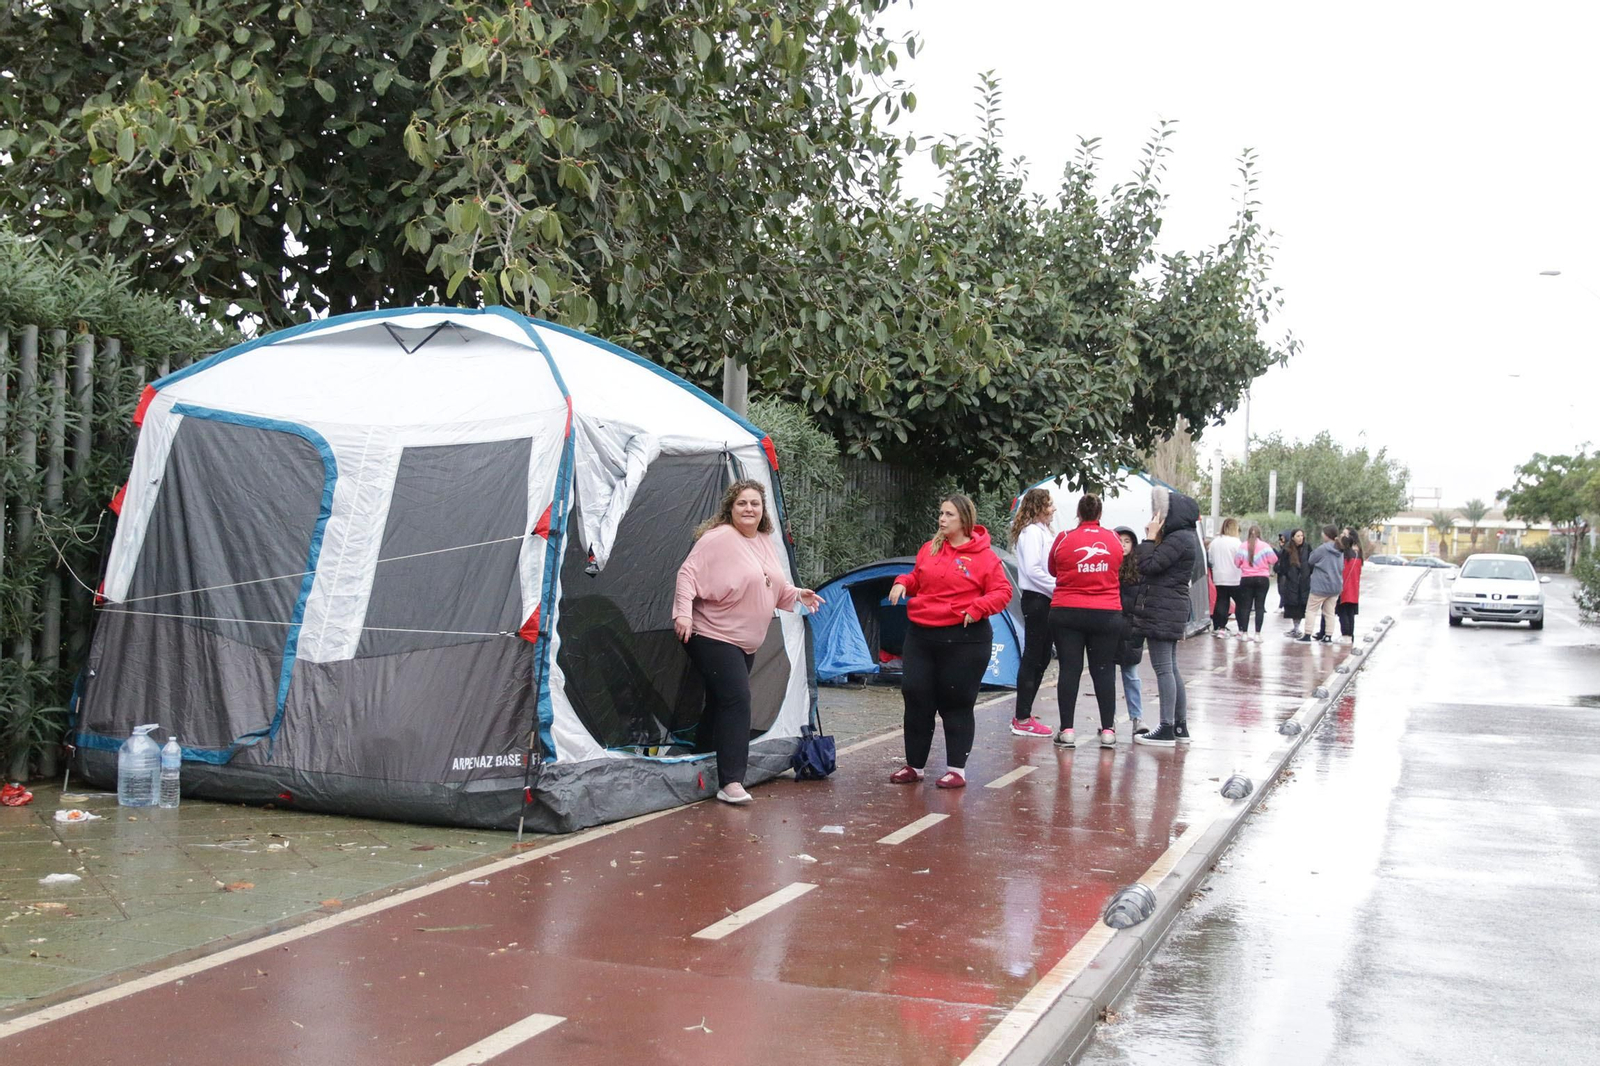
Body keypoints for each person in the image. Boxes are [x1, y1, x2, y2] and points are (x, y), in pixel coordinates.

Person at [675, 479, 824, 805]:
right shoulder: (718, 539)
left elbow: (773, 585)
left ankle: (698, 763)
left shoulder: (763, 541)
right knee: (738, 700)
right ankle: (731, 783)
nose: (749, 509)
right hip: (710, 633)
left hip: (745, 641)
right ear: (731, 508)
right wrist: (683, 615)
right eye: (742, 503)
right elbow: (687, 574)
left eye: (755, 503)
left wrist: (798, 594)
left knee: (720, 702)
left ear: (762, 510)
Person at [887, 494, 1014, 789]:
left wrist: (977, 608)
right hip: (921, 634)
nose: (942, 519)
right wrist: (902, 582)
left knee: (955, 702)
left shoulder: (985, 557)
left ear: (965, 520)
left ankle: (956, 769)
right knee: (915, 695)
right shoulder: (930, 549)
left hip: (965, 640)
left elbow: (1002, 592)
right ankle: (914, 766)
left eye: (949, 515)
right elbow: (918, 578)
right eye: (941, 513)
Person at [1045, 494, 1125, 749]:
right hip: (1106, 612)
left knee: (1070, 669)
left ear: (1078, 514)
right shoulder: (1113, 538)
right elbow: (1118, 565)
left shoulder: (1064, 538)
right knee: (1104, 670)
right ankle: (1109, 730)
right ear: (1099, 515)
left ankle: (1067, 729)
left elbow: (1052, 569)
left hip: (1067, 611)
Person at [1134, 487, 1201, 746]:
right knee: (1171, 667)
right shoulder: (1187, 537)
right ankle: (1180, 725)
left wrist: (1149, 539)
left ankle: (1166, 727)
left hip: (1164, 606)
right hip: (1172, 605)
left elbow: (1148, 565)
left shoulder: (1178, 540)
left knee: (1163, 668)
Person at [1007, 488, 1057, 738]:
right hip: (1037, 599)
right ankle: (1022, 717)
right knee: (1033, 656)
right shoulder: (1030, 533)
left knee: (1042, 657)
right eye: (1049, 504)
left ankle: (1025, 713)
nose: (1053, 509)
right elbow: (1034, 570)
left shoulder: (1042, 532)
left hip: (1045, 598)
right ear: (1038, 507)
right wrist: (1058, 586)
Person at [1114, 526, 1149, 736]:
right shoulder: (1108, 565)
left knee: (1131, 674)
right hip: (1109, 626)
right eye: (1120, 540)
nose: (1123, 545)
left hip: (1131, 628)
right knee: (1107, 675)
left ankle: (1136, 717)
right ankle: (1108, 720)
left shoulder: (1139, 568)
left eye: (1127, 541)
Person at [1296, 525, 1343, 644]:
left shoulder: (1323, 549)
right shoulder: (1340, 549)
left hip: (1320, 585)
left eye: (1323, 533)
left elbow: (1311, 560)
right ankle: (1328, 636)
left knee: (1311, 610)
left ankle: (1307, 634)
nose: (1322, 535)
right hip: (1335, 586)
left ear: (1327, 535)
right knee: (1330, 612)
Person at [1232, 523, 1278, 642]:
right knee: (1260, 606)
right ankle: (1257, 634)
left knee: (1245, 606)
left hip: (1246, 579)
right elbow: (1274, 559)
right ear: (1259, 534)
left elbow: (1237, 563)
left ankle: (1245, 633)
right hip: (1262, 578)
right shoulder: (1265, 546)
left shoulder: (1242, 546)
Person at [1208, 517, 1243, 637]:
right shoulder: (1236, 542)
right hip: (1235, 577)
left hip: (1219, 577)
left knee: (1222, 601)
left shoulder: (1214, 542)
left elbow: (1210, 559)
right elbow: (1241, 559)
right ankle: (1241, 629)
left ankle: (1220, 627)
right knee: (1240, 603)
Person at [1275, 528, 1312, 638]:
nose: (1300, 538)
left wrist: (1307, 573)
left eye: (1302, 536)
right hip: (1291, 582)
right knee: (1293, 605)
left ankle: (1298, 627)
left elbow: (1311, 562)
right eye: (1298, 536)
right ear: (1292, 537)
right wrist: (1289, 575)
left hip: (1304, 582)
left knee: (1302, 605)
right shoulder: (1287, 549)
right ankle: (1295, 627)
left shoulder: (1307, 548)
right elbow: (1282, 565)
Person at [1337, 531, 1364, 644]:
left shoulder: (1343, 558)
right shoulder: (1358, 557)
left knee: (1343, 613)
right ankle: (1350, 636)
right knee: (1350, 614)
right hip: (1354, 589)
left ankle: (1345, 635)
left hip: (1343, 589)